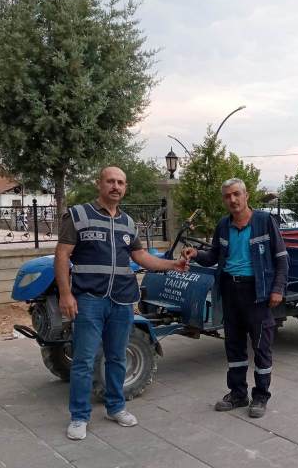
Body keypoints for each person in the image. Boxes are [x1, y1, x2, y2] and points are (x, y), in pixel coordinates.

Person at [55, 166, 188, 440]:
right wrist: (65, 294)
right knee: (84, 360)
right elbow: (62, 254)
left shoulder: (128, 222)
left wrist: (172, 264)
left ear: (125, 188)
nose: (116, 186)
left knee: (116, 357)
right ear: (99, 184)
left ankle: (116, 407)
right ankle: (79, 417)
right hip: (89, 300)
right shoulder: (79, 215)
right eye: (111, 181)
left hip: (122, 301)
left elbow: (141, 257)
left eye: (121, 183)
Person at [182, 178, 288, 418]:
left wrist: (277, 289)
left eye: (236, 194)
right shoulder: (223, 225)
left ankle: (260, 396)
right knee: (234, 345)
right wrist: (196, 253)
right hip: (230, 291)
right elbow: (214, 257)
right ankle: (238, 394)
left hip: (257, 292)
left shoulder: (264, 222)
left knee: (261, 347)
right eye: (228, 196)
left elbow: (281, 258)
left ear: (246, 195)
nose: (232, 199)